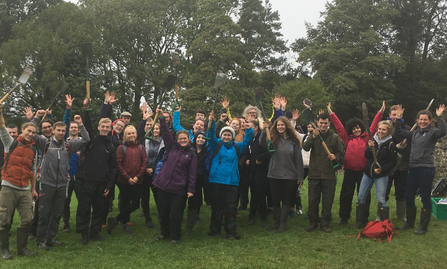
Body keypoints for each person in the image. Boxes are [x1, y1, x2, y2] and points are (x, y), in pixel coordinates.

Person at [33, 113, 90, 250]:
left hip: (62, 184)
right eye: (58, 130)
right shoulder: (44, 143)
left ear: (66, 132)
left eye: (63, 131)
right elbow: (32, 132)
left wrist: (81, 124)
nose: (60, 133)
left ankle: (51, 238)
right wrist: (35, 118)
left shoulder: (68, 145)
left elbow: (86, 139)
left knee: (57, 213)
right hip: (47, 183)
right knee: (44, 213)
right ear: (53, 130)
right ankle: (40, 239)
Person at [396, 104, 446, 235]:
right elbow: (399, 131)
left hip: (426, 168)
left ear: (429, 121)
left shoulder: (433, 132)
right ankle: (409, 223)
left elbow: (443, 131)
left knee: (424, 197)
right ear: (417, 120)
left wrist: (440, 117)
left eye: (425, 119)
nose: (423, 122)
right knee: (409, 196)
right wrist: (399, 118)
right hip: (412, 168)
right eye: (420, 119)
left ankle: (423, 227)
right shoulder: (414, 133)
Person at [327, 102, 380, 225]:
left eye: (358, 128)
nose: (356, 130)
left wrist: (380, 113)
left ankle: (363, 218)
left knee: (364, 195)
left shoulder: (367, 137)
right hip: (350, 171)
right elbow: (339, 127)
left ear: (361, 128)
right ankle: (344, 217)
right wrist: (331, 114)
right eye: (354, 128)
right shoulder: (347, 138)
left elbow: (373, 127)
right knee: (346, 195)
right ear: (351, 130)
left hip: (364, 172)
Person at [152, 108, 197, 244]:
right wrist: (161, 118)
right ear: (177, 139)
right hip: (163, 185)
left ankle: (175, 236)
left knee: (176, 214)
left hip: (179, 189)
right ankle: (164, 233)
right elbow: (165, 132)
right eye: (180, 138)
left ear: (189, 139)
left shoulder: (191, 153)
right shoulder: (171, 147)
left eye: (185, 138)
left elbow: (192, 173)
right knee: (163, 212)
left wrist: (191, 189)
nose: (183, 140)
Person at [75, 102, 117, 245]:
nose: (104, 129)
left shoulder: (111, 147)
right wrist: (86, 110)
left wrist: (109, 185)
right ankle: (84, 233)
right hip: (86, 181)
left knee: (100, 210)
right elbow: (87, 126)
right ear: (99, 127)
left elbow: (113, 168)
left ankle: (95, 232)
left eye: (107, 127)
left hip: (102, 183)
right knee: (84, 209)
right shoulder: (91, 140)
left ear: (110, 129)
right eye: (102, 126)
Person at [0, 104, 38, 260]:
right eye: (28, 131)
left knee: (28, 219)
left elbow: (33, 171)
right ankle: (5, 251)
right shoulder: (10, 142)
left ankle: (22, 249)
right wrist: (1, 111)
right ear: (22, 130)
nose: (31, 134)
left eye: (34, 132)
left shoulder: (33, 150)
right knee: (4, 220)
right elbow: (2, 126)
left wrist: (33, 189)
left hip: (24, 189)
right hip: (8, 186)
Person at [208, 115, 254, 240]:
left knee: (231, 208)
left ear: (232, 136)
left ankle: (231, 232)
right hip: (217, 180)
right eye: (224, 135)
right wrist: (211, 123)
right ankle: (214, 230)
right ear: (221, 136)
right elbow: (211, 135)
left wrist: (248, 129)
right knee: (217, 207)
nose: (227, 137)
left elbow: (249, 139)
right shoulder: (215, 145)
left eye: (229, 135)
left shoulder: (236, 147)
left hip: (233, 181)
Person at [302, 113, 345, 233]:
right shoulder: (313, 135)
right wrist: (313, 137)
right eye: (321, 123)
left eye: (325, 123)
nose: (323, 125)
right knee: (313, 200)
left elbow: (341, 155)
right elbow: (305, 147)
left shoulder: (335, 138)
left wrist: (334, 156)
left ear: (329, 124)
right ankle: (312, 222)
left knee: (327, 201)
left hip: (329, 175)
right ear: (317, 123)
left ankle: (325, 223)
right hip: (314, 174)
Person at [260, 117, 304, 233]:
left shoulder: (294, 141)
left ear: (287, 126)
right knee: (275, 200)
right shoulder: (273, 139)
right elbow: (262, 143)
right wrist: (264, 131)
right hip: (274, 174)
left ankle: (282, 224)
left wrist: (300, 177)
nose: (280, 127)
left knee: (286, 200)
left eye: (282, 125)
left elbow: (298, 160)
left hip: (290, 176)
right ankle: (276, 222)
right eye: (278, 125)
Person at [355, 120, 397, 228]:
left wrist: (382, 169)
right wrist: (369, 147)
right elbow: (367, 156)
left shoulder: (391, 144)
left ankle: (384, 225)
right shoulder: (373, 140)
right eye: (379, 129)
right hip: (368, 174)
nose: (381, 131)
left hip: (381, 176)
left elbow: (393, 162)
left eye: (384, 129)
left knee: (381, 199)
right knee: (361, 196)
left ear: (388, 131)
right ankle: (360, 222)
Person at [107, 125, 147, 234]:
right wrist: (128, 178)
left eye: (133, 133)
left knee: (135, 204)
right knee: (124, 202)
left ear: (136, 134)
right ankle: (124, 223)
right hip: (124, 181)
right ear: (125, 136)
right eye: (129, 133)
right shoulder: (121, 148)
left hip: (138, 180)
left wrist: (137, 177)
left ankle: (115, 219)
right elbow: (118, 164)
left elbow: (144, 163)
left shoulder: (141, 148)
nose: (131, 135)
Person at [137, 105, 163, 228]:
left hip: (157, 173)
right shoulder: (145, 140)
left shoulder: (164, 142)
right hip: (145, 172)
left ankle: (162, 214)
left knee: (158, 195)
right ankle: (147, 217)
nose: (155, 130)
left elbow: (163, 158)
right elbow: (138, 132)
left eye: (158, 129)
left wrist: (155, 169)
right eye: (154, 129)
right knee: (145, 196)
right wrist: (146, 168)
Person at [246, 119, 270, 226]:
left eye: (250, 126)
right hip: (252, 170)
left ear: (256, 127)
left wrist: (259, 158)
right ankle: (252, 215)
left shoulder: (262, 137)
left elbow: (269, 150)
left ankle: (263, 216)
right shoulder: (251, 139)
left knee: (260, 194)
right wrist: (248, 159)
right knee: (253, 194)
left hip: (261, 170)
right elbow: (249, 151)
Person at [186, 131, 209, 235]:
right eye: (198, 137)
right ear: (195, 139)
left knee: (195, 202)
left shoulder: (207, 151)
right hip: (187, 179)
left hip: (200, 180)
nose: (200, 139)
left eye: (203, 138)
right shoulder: (190, 150)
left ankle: (190, 224)